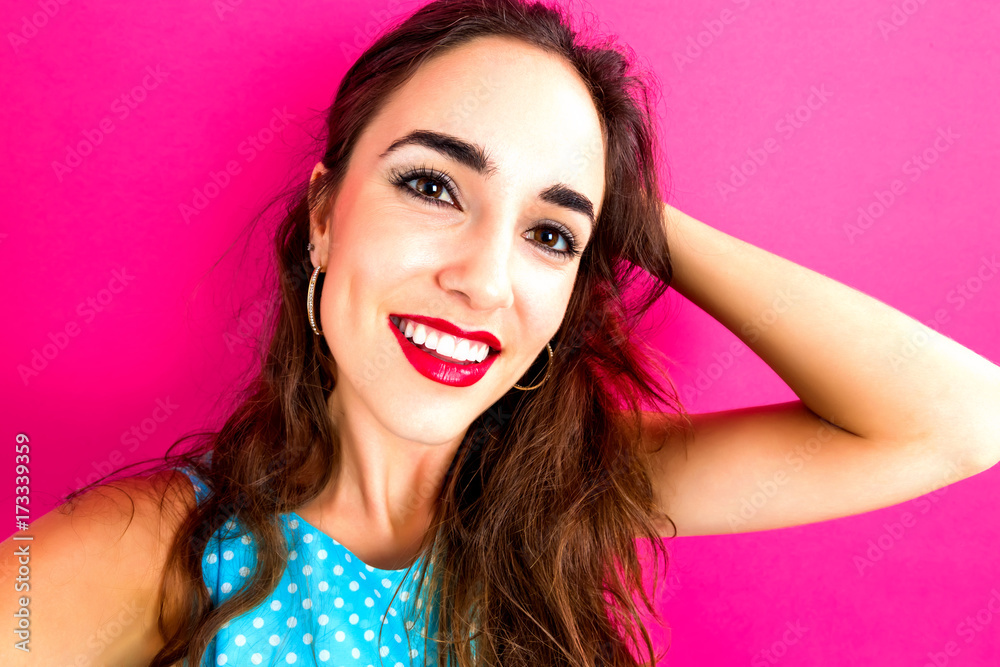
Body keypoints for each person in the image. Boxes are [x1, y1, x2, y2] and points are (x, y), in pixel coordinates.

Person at [3, 0, 999, 665]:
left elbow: (961, 420)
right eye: (432, 185)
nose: (482, 279)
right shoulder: (158, 549)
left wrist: (638, 220)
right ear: (323, 213)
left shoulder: (572, 503)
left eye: (550, 234)